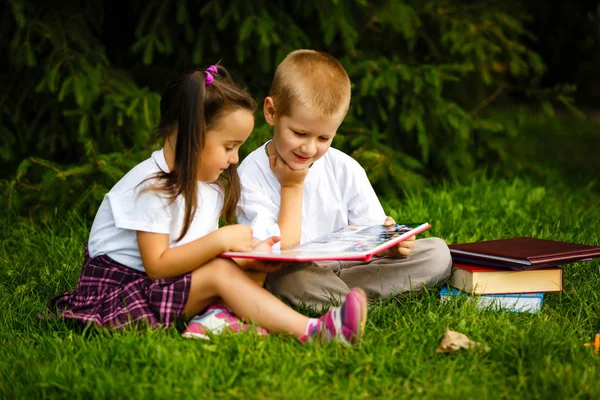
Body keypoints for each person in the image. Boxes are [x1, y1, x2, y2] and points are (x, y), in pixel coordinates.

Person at [46, 64, 368, 346]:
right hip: (120, 294)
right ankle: (316, 331)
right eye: (229, 146)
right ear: (193, 136)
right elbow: (157, 265)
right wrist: (220, 241)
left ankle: (216, 320)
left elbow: (192, 251)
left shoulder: (206, 184)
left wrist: (249, 254)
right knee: (219, 273)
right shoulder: (151, 186)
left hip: (161, 286)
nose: (235, 159)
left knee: (242, 264)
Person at [236, 50, 452, 308]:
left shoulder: (344, 167)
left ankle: (342, 301)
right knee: (283, 280)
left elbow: (371, 233)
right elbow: (271, 255)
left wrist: (391, 243)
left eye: (323, 138)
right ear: (272, 112)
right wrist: (291, 185)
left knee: (437, 252)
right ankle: (352, 300)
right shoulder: (250, 175)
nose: (309, 148)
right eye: (299, 133)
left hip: (353, 267)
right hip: (297, 272)